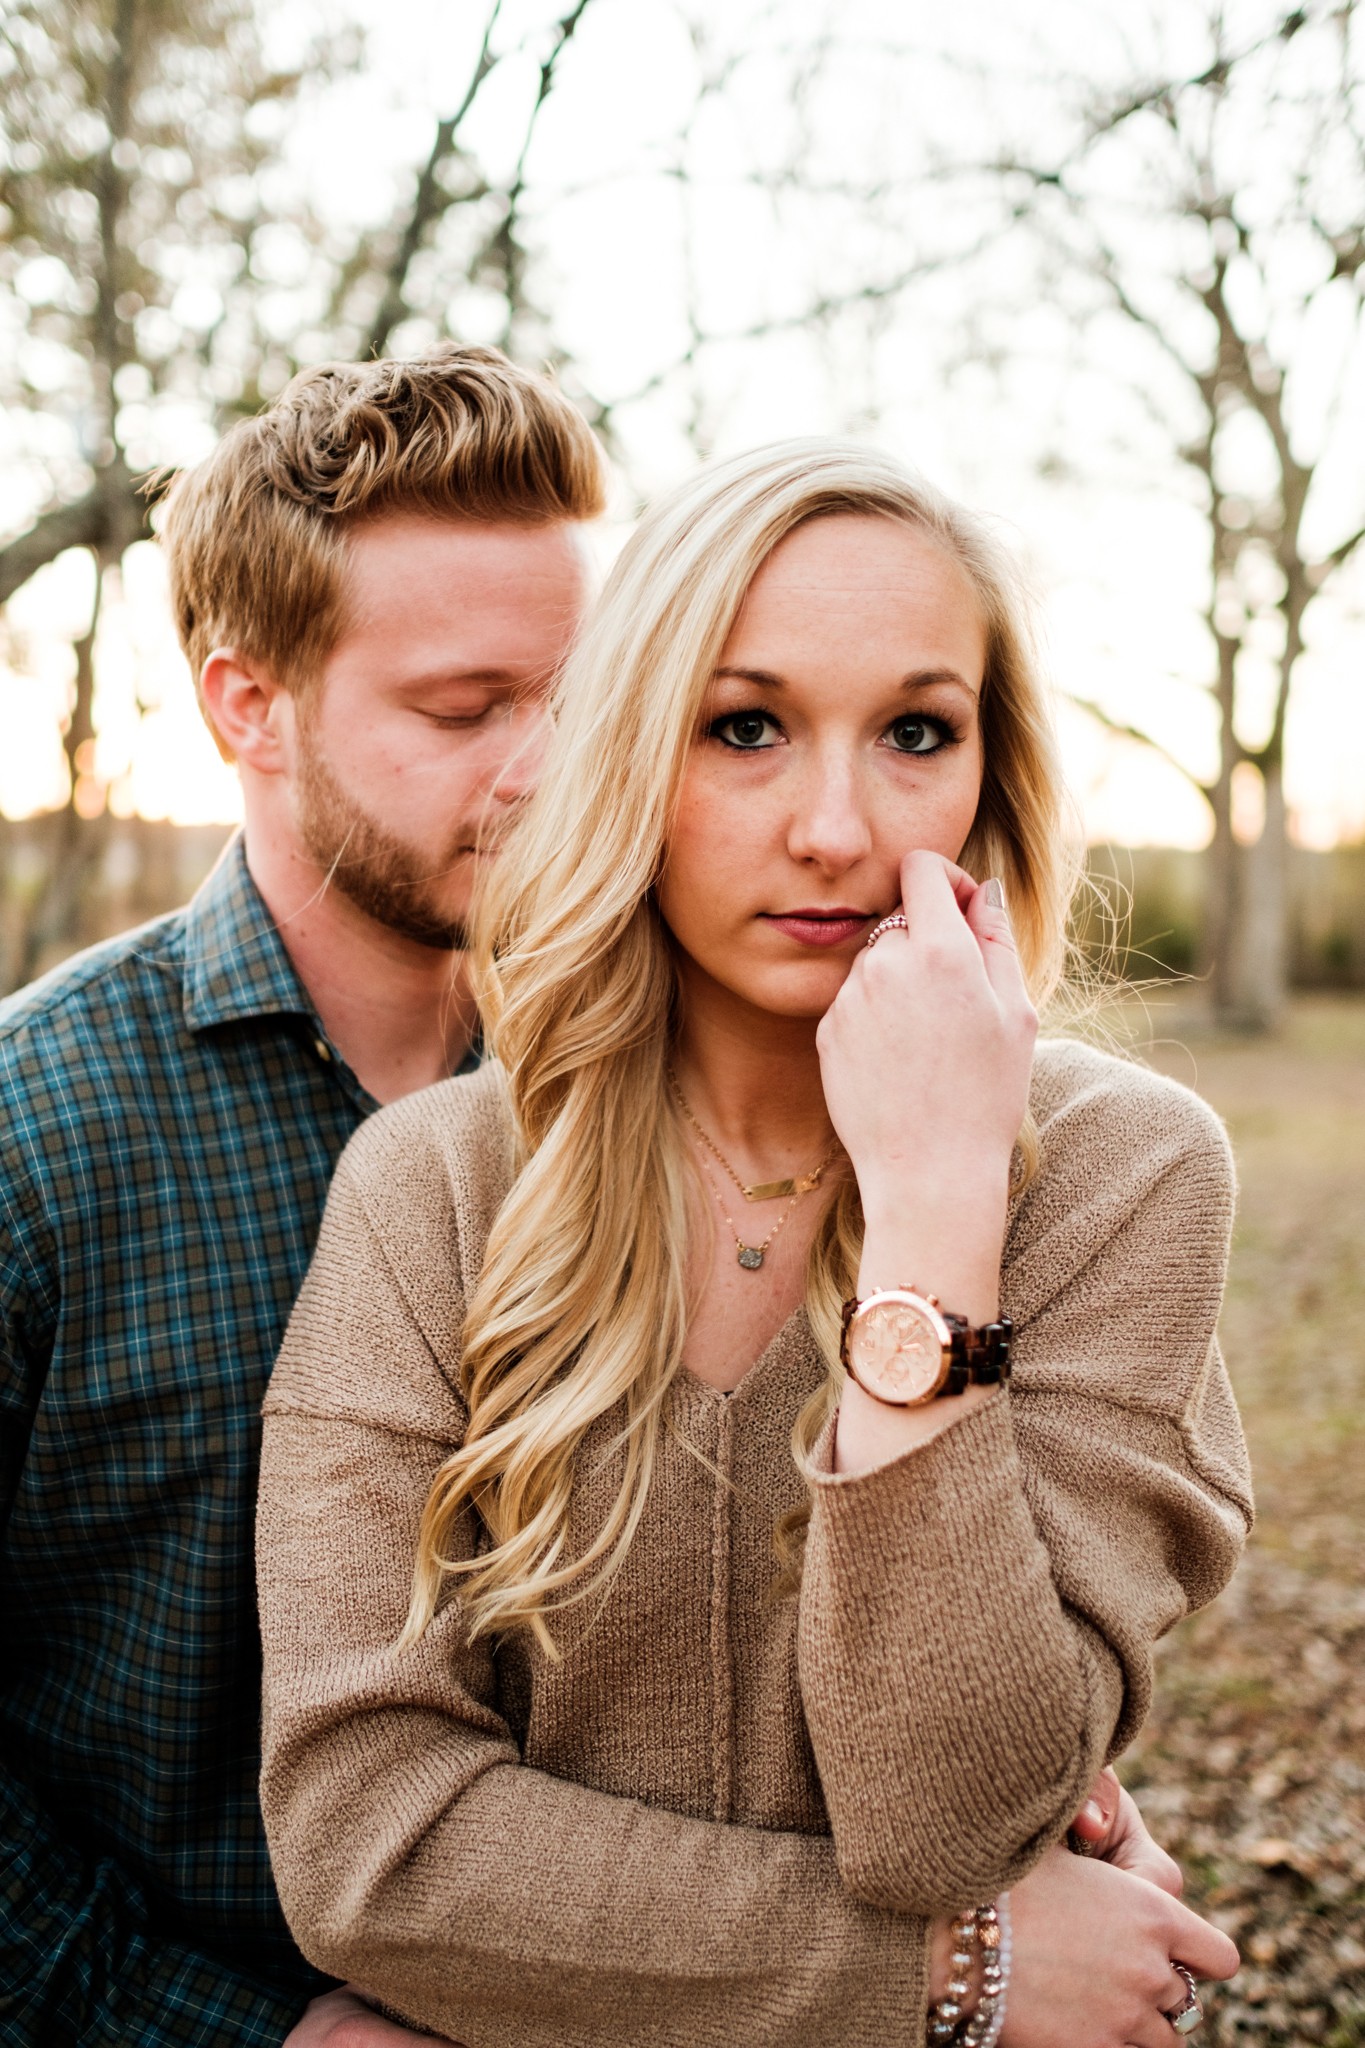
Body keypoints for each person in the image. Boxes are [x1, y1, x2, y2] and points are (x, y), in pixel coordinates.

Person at [256, 441, 1254, 2046]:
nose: (834, 828)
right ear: (634, 758)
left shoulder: (1122, 1176)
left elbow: (950, 1820)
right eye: (745, 729)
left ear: (987, 781)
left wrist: (934, 1222)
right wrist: (942, 1972)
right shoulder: (432, 1187)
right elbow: (371, 1846)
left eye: (915, 732)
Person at [0, 345, 604, 2047]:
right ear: (245, 707)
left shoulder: (648, 1094)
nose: (550, 770)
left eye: (580, 698)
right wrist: (226, 2035)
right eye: (464, 708)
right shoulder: (34, 1137)